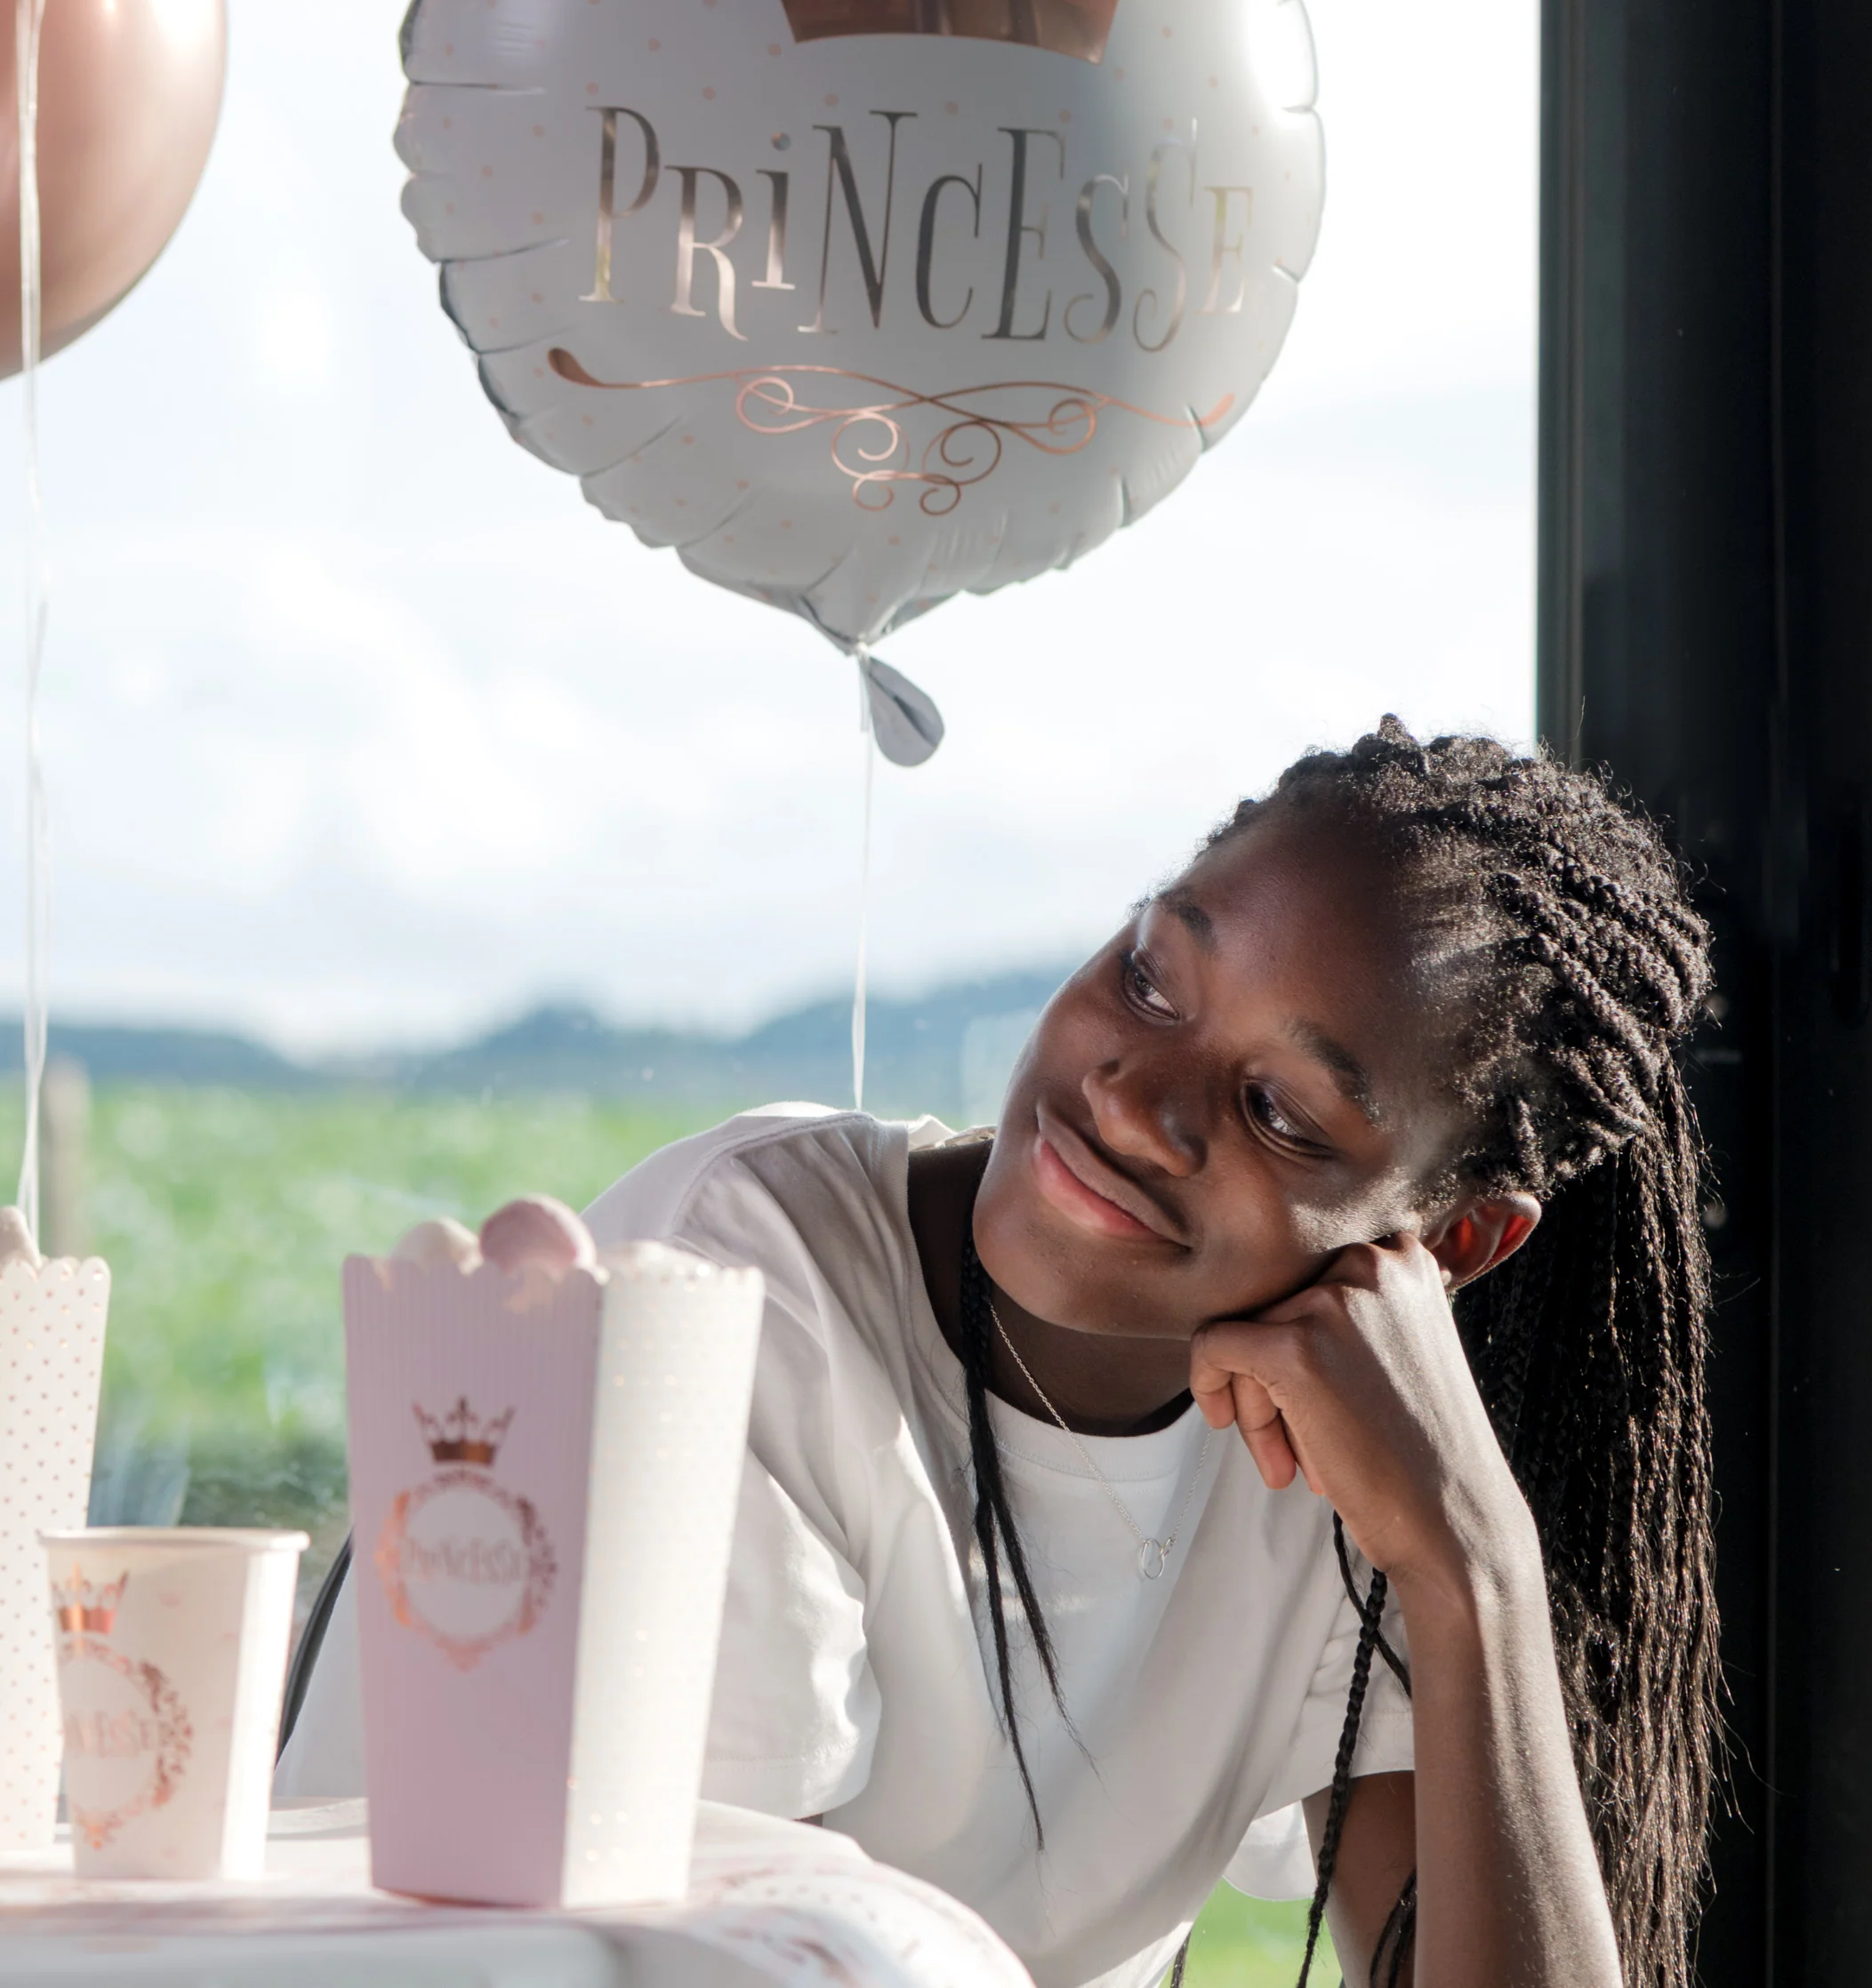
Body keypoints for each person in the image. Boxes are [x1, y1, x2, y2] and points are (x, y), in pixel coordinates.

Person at [276, 722, 1718, 1988]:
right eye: (1152, 978)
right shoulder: (742, 1278)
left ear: (1449, 1245)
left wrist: (1474, 1571)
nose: (1134, 1094)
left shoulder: (1346, 1451)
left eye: (1281, 1112)